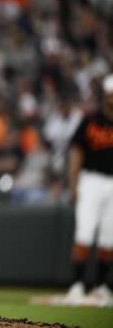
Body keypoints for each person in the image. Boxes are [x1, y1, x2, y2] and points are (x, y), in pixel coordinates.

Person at [65, 74, 113, 307]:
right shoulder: (91, 121)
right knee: (84, 232)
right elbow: (76, 153)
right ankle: (77, 285)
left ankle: (102, 287)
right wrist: (73, 184)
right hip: (91, 180)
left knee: (108, 237)